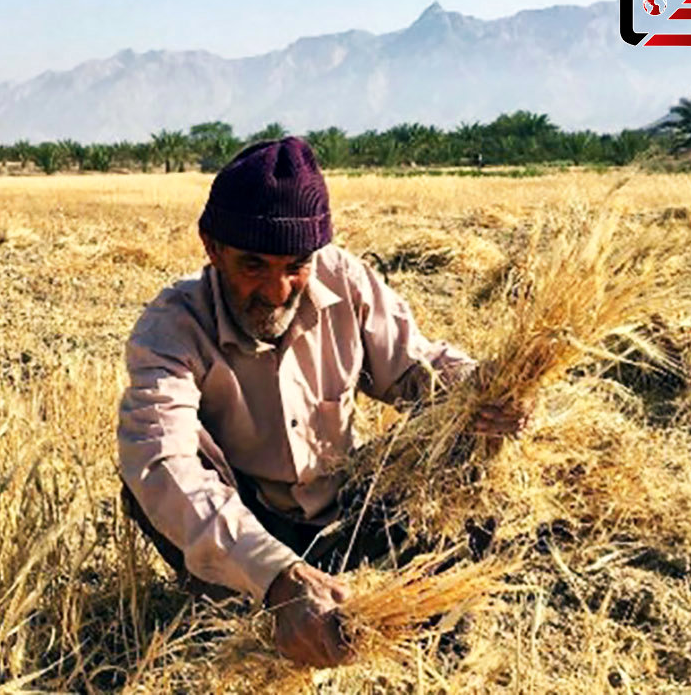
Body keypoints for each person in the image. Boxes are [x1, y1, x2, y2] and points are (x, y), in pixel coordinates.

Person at [116, 138, 528, 667]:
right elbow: (162, 462)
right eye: (253, 266)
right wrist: (276, 575)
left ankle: (434, 632)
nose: (277, 290)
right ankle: (239, 609)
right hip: (254, 526)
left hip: (349, 514)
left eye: (296, 266)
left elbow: (412, 365)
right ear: (211, 248)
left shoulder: (343, 279)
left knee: (465, 449)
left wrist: (482, 391)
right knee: (147, 482)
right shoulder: (172, 327)